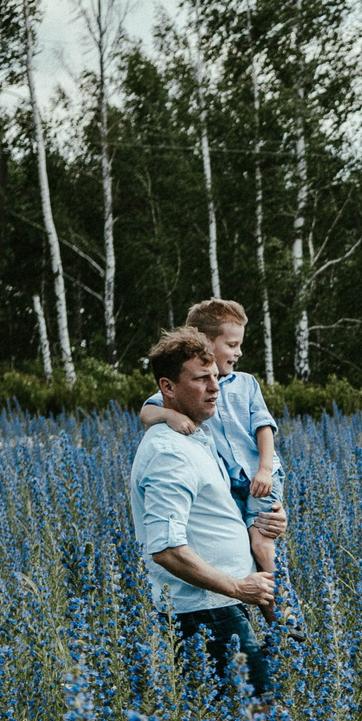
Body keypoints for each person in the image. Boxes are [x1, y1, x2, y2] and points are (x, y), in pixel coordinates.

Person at [130, 326, 288, 699]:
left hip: (225, 605)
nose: (215, 387)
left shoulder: (198, 439)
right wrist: (237, 585)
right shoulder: (169, 453)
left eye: (216, 376)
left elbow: (214, 514)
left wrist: (267, 521)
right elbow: (166, 549)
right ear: (167, 387)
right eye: (201, 379)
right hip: (205, 613)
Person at [140, 299, 283, 618]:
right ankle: (276, 614)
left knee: (262, 541)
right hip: (205, 600)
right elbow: (147, 410)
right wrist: (169, 416)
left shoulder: (244, 384)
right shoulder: (173, 430)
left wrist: (265, 472)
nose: (238, 352)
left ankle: (283, 615)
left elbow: (265, 428)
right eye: (231, 344)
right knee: (253, 539)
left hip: (259, 475)